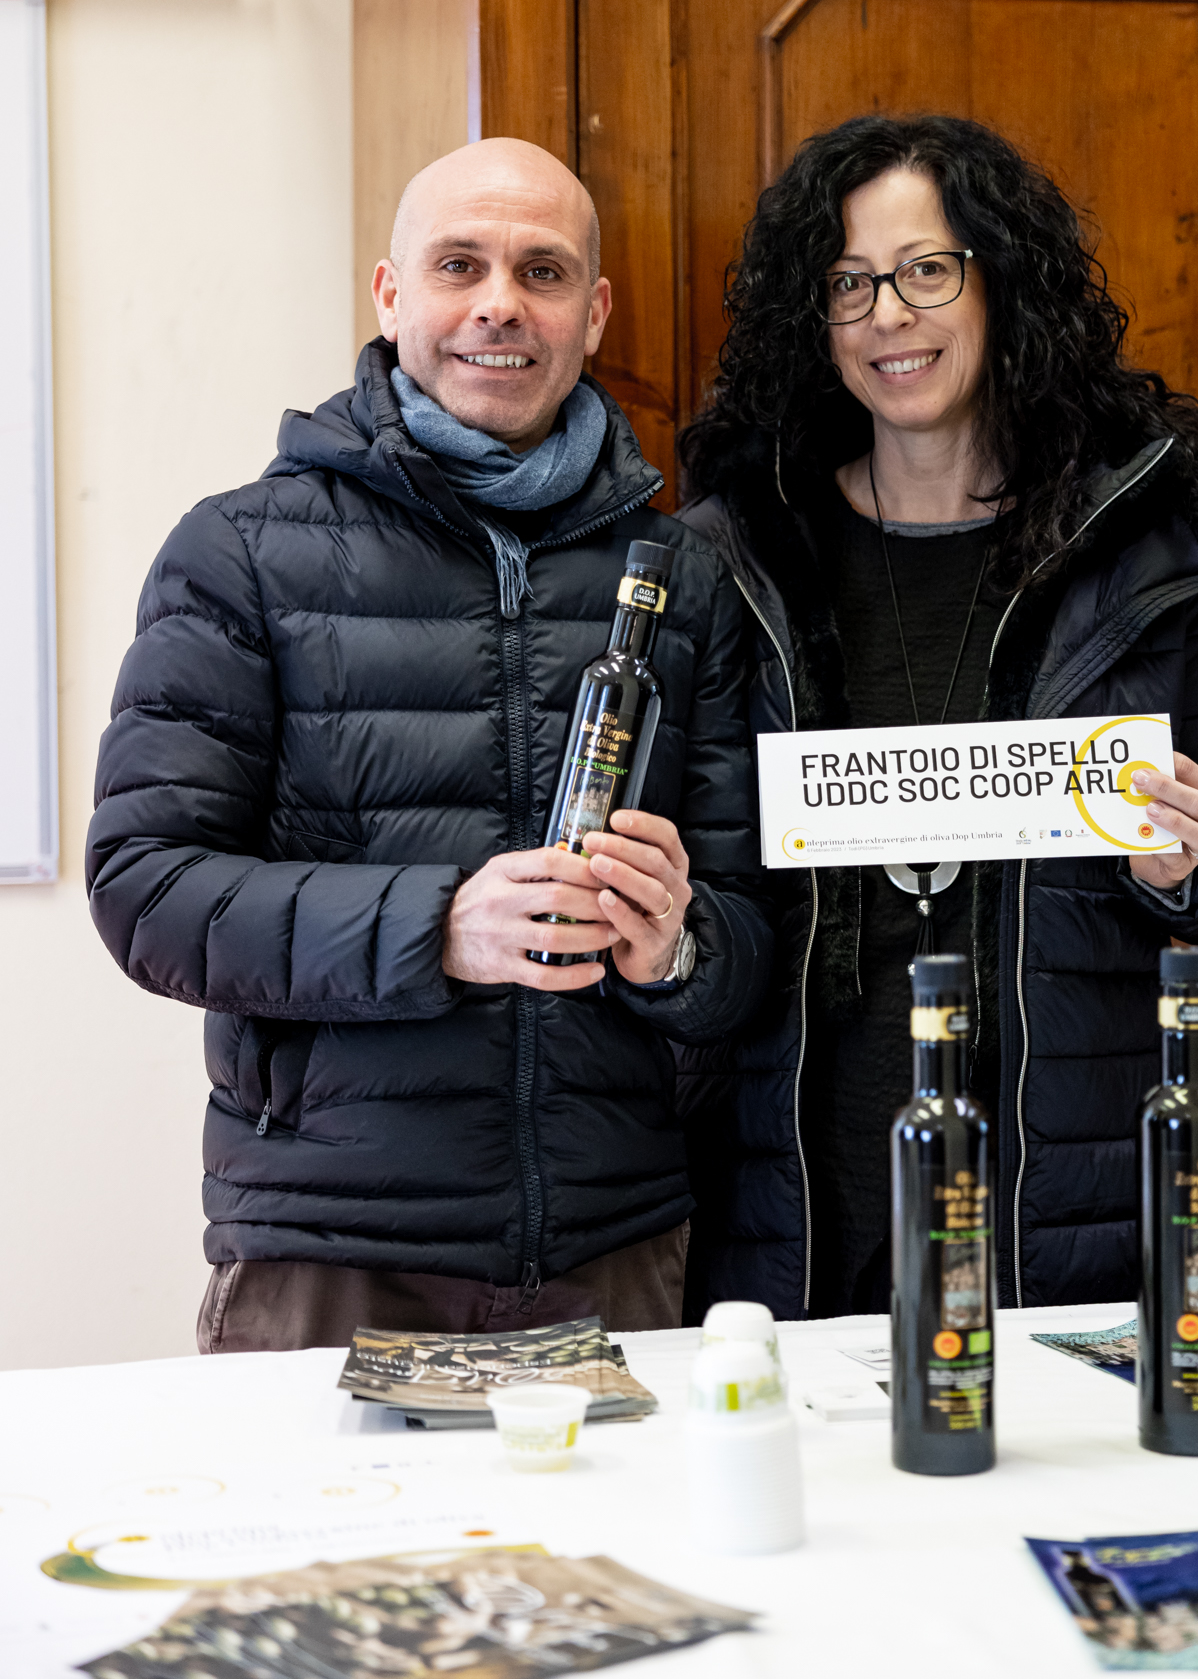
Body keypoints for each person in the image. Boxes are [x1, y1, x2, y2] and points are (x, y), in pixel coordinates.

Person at [87, 137, 771, 1351]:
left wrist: (677, 947)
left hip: (619, 1247)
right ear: (391, 294)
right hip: (333, 1252)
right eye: (460, 264)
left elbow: (751, 939)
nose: (500, 303)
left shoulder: (683, 578)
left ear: (593, 313)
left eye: (542, 271)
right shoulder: (239, 553)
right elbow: (146, 891)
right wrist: (440, 925)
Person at [675, 113, 1198, 1319]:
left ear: (1002, 283)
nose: (886, 315)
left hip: (1060, 1212)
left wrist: (1194, 862)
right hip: (798, 1204)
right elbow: (706, 903)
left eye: (925, 269)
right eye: (847, 282)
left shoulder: (1145, 554)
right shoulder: (736, 556)